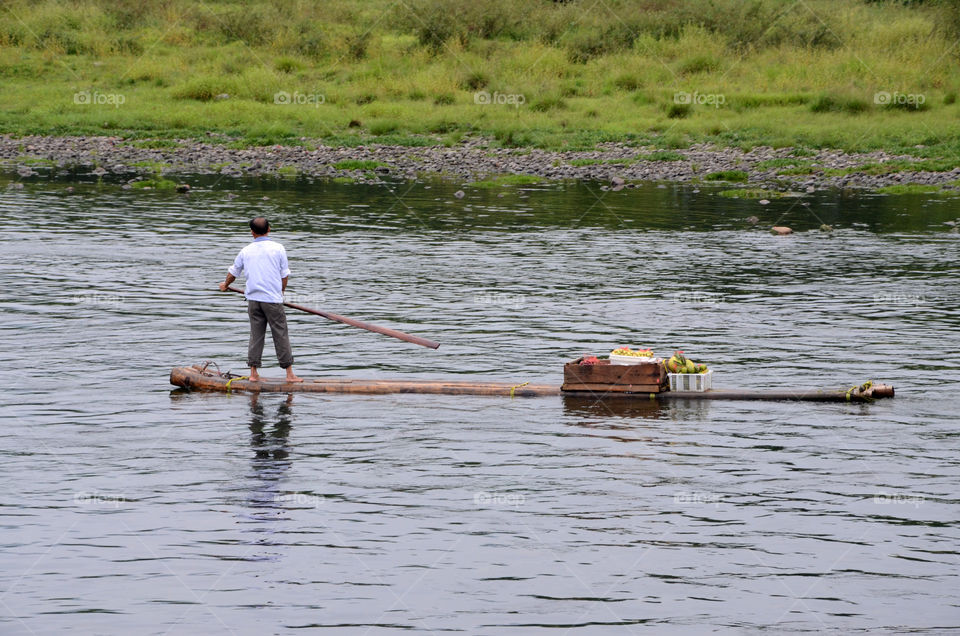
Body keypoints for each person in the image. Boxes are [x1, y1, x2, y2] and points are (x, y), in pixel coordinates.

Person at [219, 217, 303, 383]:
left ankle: (253, 373)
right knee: (280, 334)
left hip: (253, 300)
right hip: (272, 300)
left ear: (252, 232)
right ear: (269, 229)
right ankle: (289, 374)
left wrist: (225, 285)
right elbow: (284, 275)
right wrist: (281, 293)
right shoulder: (278, 248)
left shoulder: (246, 250)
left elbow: (233, 273)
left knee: (256, 335)